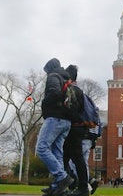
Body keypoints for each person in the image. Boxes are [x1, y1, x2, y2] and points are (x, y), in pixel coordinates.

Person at [36, 58, 75, 196]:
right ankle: (57, 187)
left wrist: (44, 104)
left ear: (49, 68)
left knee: (41, 148)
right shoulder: (66, 78)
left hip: (55, 118)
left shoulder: (53, 76)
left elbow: (54, 93)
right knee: (57, 152)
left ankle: (62, 177)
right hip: (66, 121)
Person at [62, 64, 88, 196]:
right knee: (68, 159)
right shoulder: (79, 91)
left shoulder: (72, 90)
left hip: (73, 128)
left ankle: (81, 187)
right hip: (79, 128)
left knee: (73, 159)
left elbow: (71, 109)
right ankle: (73, 185)